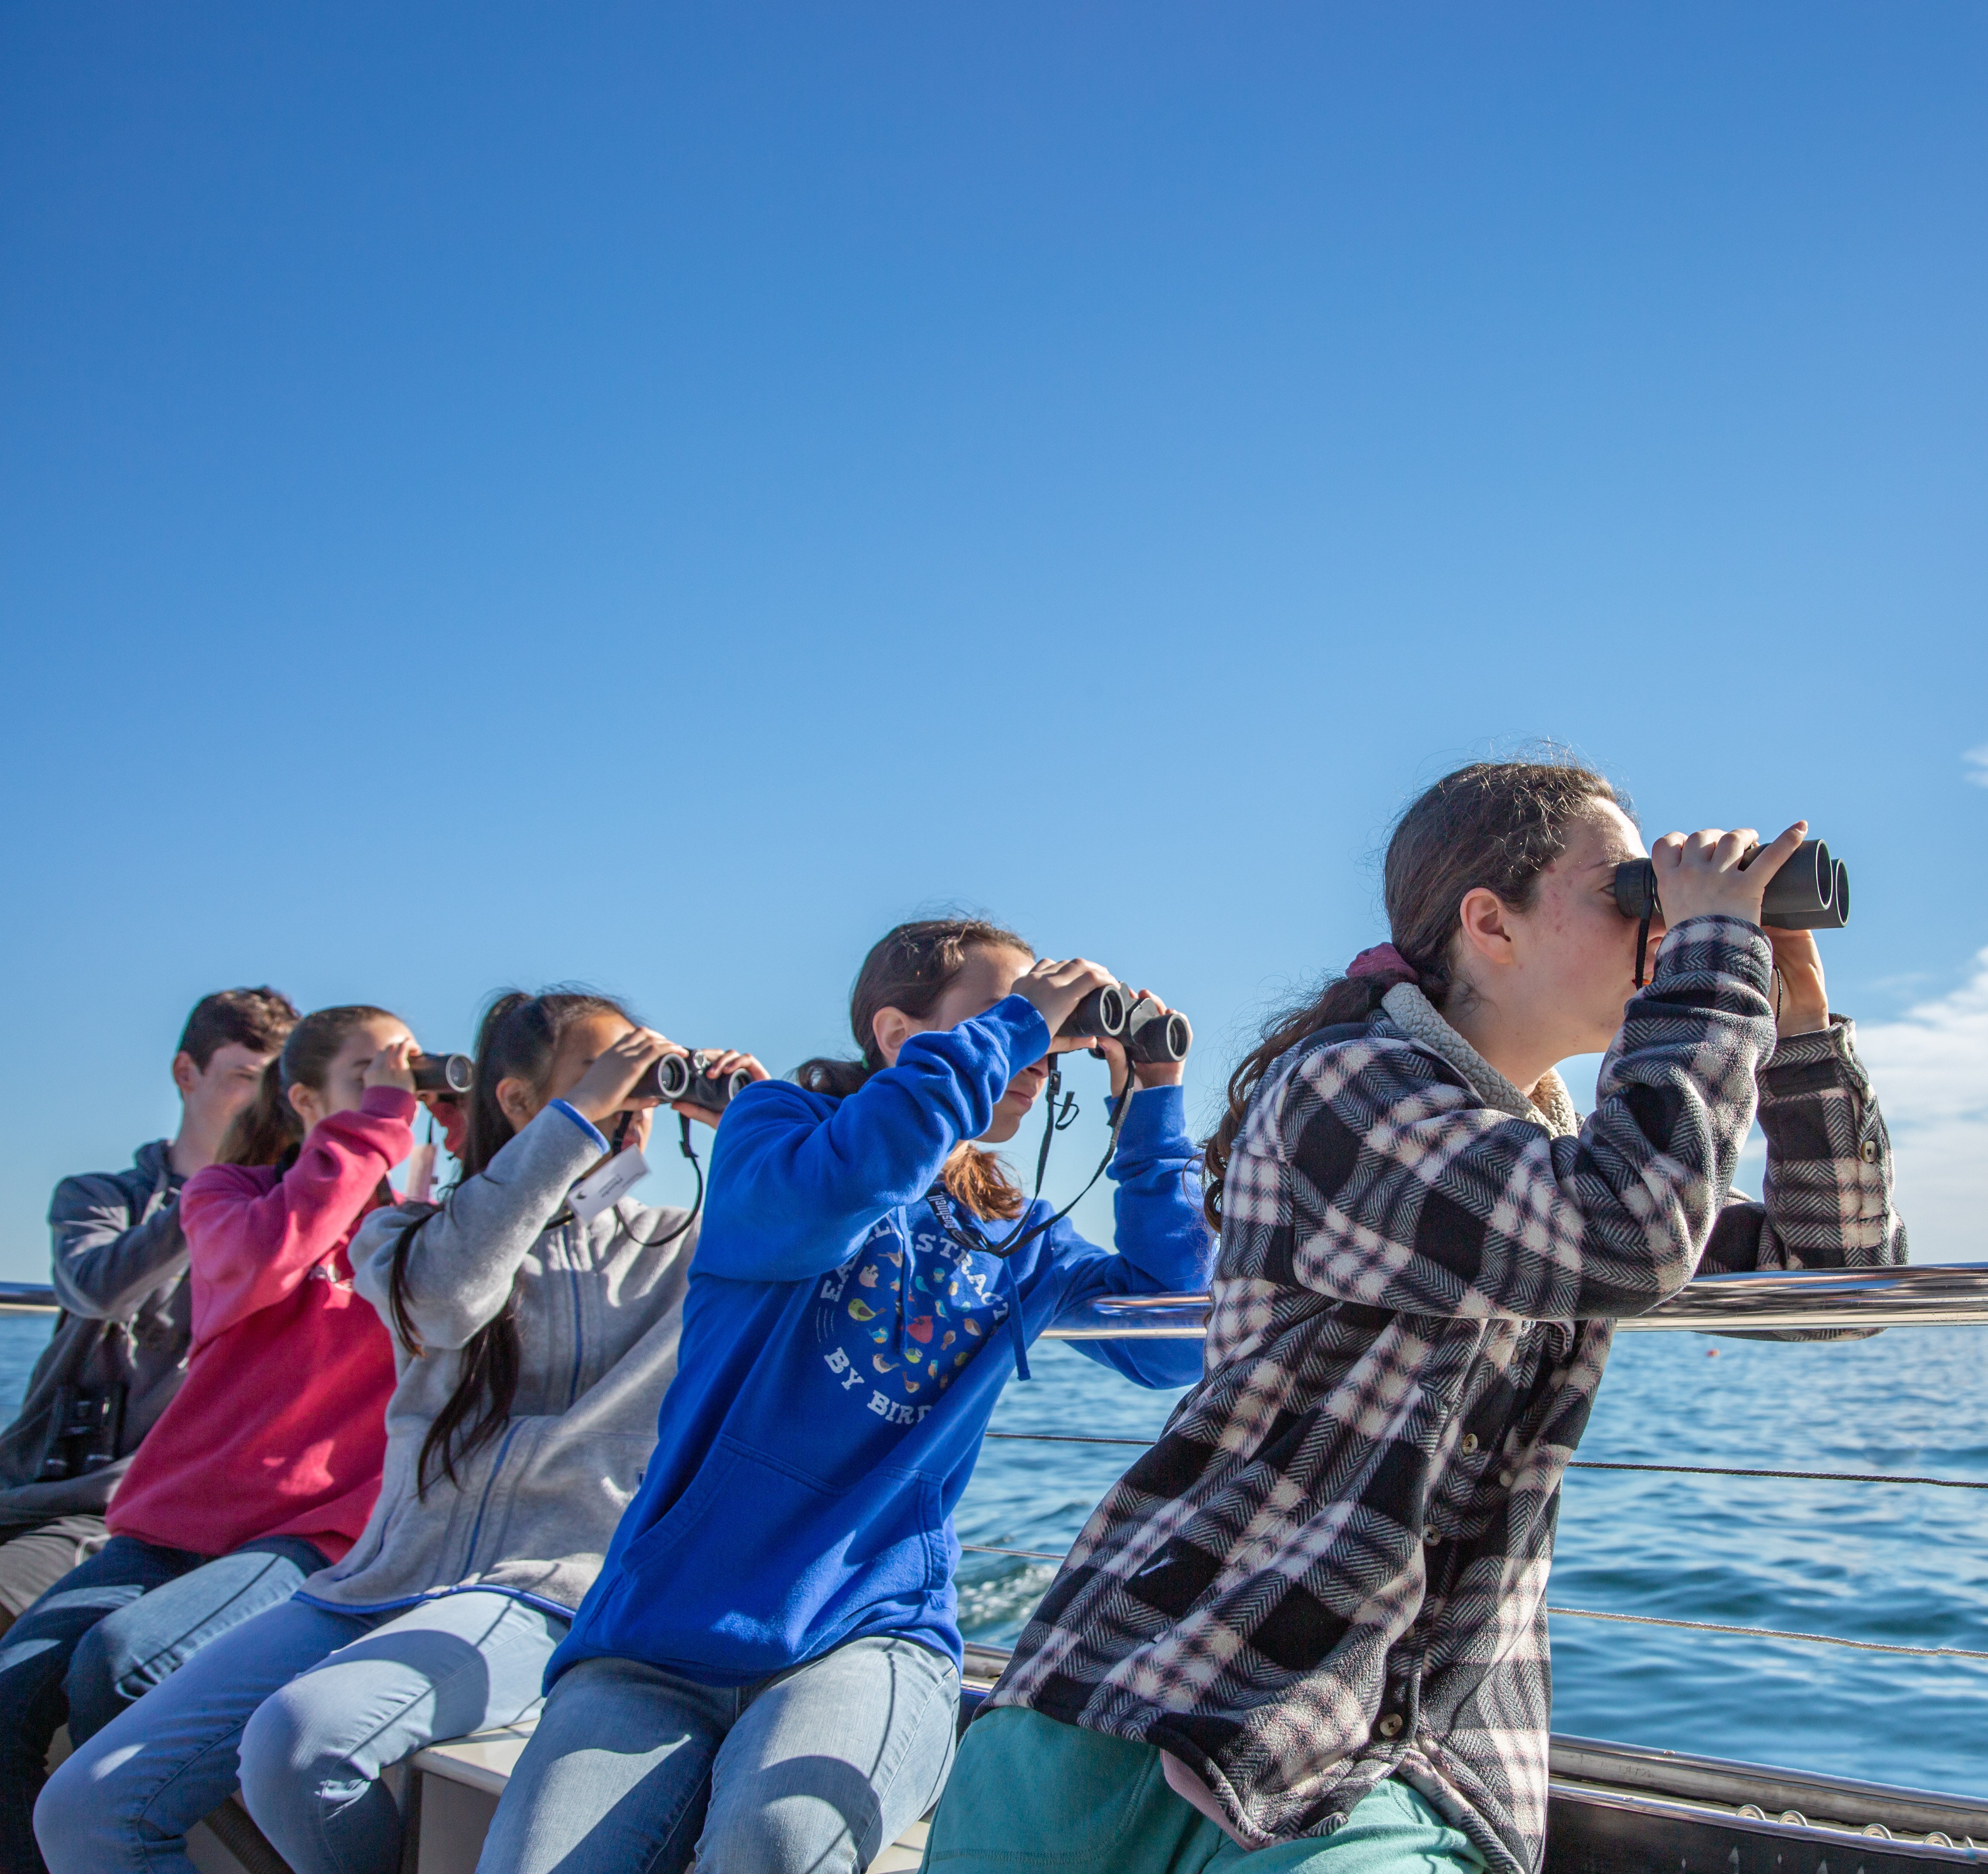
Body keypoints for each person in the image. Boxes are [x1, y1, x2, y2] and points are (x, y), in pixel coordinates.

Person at [924, 761, 1909, 1874]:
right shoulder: (1344, 1085)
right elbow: (1626, 1232)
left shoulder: (1549, 1159)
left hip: (1366, 1752)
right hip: (1140, 1719)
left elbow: (1832, 1281)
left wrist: (1799, 1026)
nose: (1660, 923)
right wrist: (1710, 962)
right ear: (1488, 922)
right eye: (1628, 892)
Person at [476, 918, 1217, 1874]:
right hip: (657, 1641)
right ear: (903, 1036)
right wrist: (1027, 1018)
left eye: (1049, 1026)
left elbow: (1172, 1339)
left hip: (870, 1636)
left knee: (774, 1842)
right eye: (1006, 1015)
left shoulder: (1015, 1234)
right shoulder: (774, 1132)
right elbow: (844, 1188)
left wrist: (1152, 1099)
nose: (1039, 1051)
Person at [37, 990, 754, 1874]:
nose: (632, 1100)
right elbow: (449, 1297)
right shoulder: (407, 1231)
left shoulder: (678, 1251)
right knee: (82, 1810)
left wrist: (754, 1116)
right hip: (383, 1575)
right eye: (603, 1078)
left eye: (640, 1081)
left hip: (549, 1590)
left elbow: (825, 1234)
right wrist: (575, 1126)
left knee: (304, 1746)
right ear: (523, 1105)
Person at [3, 1004, 420, 1874]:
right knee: (9, 1693)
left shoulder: (418, 1226)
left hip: (313, 1530)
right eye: (370, 1075)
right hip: (177, 1525)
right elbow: (275, 1253)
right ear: (304, 1099)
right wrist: (376, 1123)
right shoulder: (227, 1197)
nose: (394, 1095)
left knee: (118, 1666)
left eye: (408, 1077)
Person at [0, 988, 298, 1629]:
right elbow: (98, 1287)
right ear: (185, 1074)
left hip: (118, 1508)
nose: (261, 1103)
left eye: (276, 1085)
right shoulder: (99, 1197)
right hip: (22, 1485)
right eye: (245, 1078)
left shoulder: (284, 1226)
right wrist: (212, 1198)